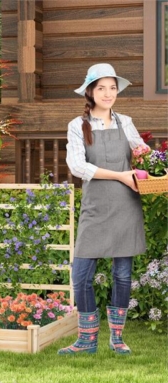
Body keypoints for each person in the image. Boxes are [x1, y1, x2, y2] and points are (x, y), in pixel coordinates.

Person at [58, 63, 147, 355]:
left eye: (112, 87)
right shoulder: (77, 126)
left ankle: (117, 338)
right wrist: (120, 175)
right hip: (96, 207)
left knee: (122, 275)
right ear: (90, 92)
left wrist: (148, 159)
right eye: (101, 88)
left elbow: (140, 154)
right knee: (81, 274)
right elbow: (77, 166)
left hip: (126, 205)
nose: (108, 93)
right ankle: (86, 340)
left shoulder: (126, 122)